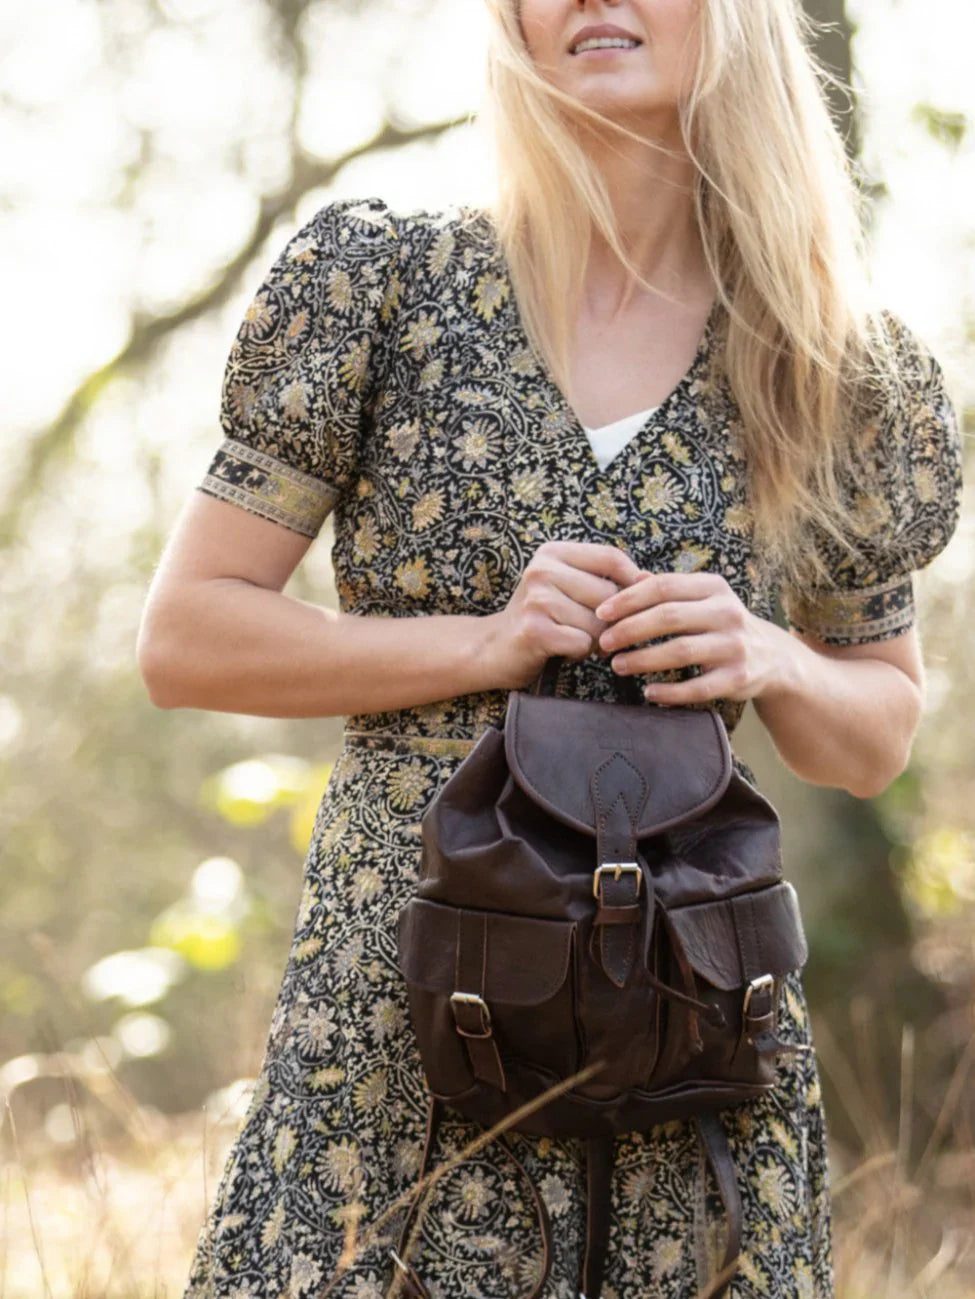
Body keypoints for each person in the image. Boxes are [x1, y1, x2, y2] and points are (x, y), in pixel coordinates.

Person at [137, 0, 963, 1294]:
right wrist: (487, 640)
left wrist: (774, 656)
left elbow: (873, 737)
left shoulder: (835, 362)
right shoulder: (383, 287)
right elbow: (188, 638)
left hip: (695, 1034)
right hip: (400, 1024)